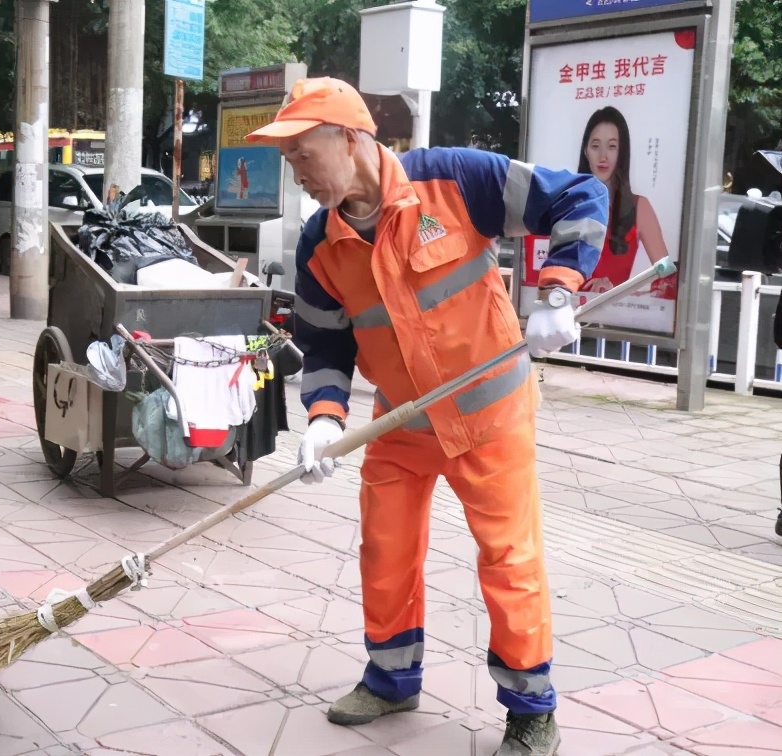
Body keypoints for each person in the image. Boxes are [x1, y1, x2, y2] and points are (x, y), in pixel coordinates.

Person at [244, 78, 608, 756]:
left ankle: (531, 709)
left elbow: (581, 195)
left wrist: (560, 288)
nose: (297, 172)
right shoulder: (320, 244)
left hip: (489, 413)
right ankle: (390, 678)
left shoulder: (455, 179)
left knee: (509, 559)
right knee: (384, 548)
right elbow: (325, 344)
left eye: (303, 154)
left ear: (350, 137)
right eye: (288, 160)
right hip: (400, 423)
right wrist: (324, 420)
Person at [577, 106, 671, 296]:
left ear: (622, 152)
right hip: (568, 316)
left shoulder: (640, 208)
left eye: (612, 146)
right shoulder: (568, 203)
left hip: (617, 318)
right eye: (595, 146)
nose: (603, 156)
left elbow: (667, 276)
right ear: (586, 151)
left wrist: (627, 295)